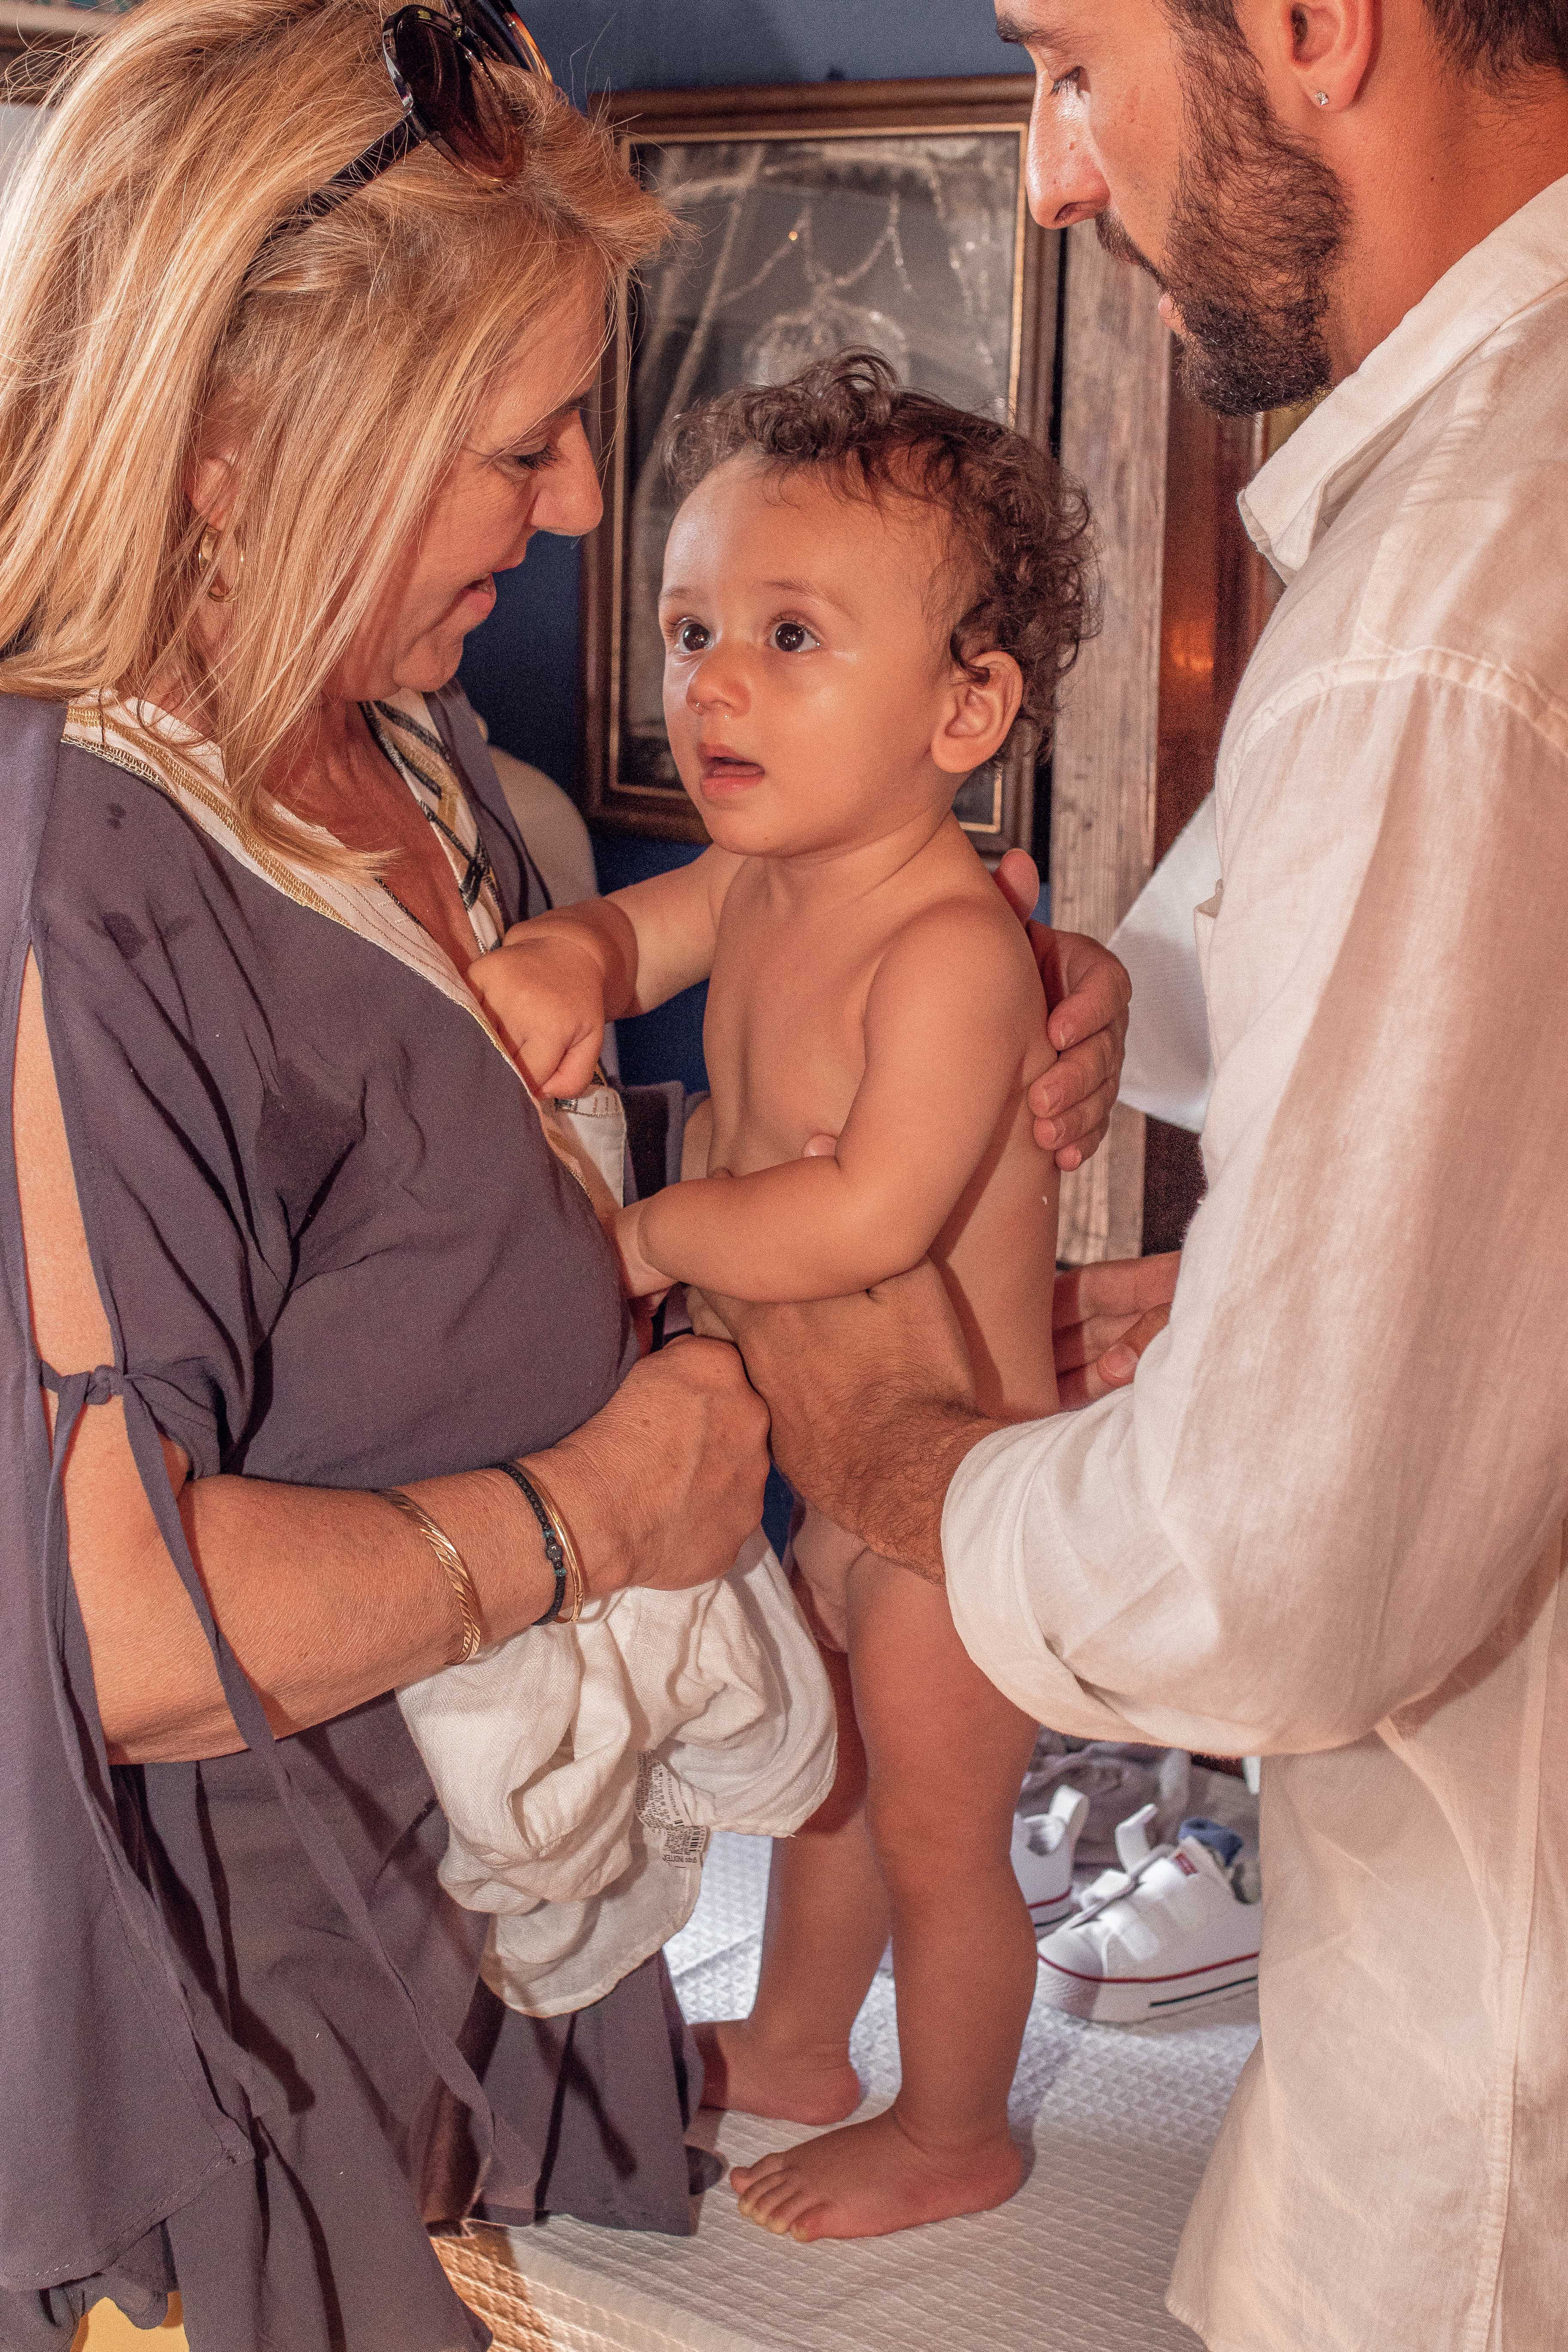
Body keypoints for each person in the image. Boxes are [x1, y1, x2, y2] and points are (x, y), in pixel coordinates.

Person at [0, 9, 1134, 2345]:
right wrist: (610, 1505)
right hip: (248, 2065)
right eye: (521, 445)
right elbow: (108, 1630)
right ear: (237, 447)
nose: (587, 516)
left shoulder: (428, 774)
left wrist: (1017, 985)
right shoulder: (73, 879)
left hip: (491, 1979)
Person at [698, 1, 1568, 2346]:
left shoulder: (1450, 622)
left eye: (1075, 64)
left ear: (1308, 25)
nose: (1059, 174)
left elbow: (1284, 1566)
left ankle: (940, 2098)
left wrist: (911, 1463)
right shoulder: (1471, 524)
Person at [470, 351, 1093, 2243]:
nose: (714, 680)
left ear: (965, 707)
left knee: (932, 1832)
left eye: (792, 633)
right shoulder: (760, 876)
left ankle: (959, 2125)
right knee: (820, 1787)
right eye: (692, 627)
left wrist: (656, 1239)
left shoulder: (950, 945)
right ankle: (808, 2047)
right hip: (841, 1468)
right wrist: (572, 944)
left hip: (954, 1498)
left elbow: (871, 1214)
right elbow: (632, 931)